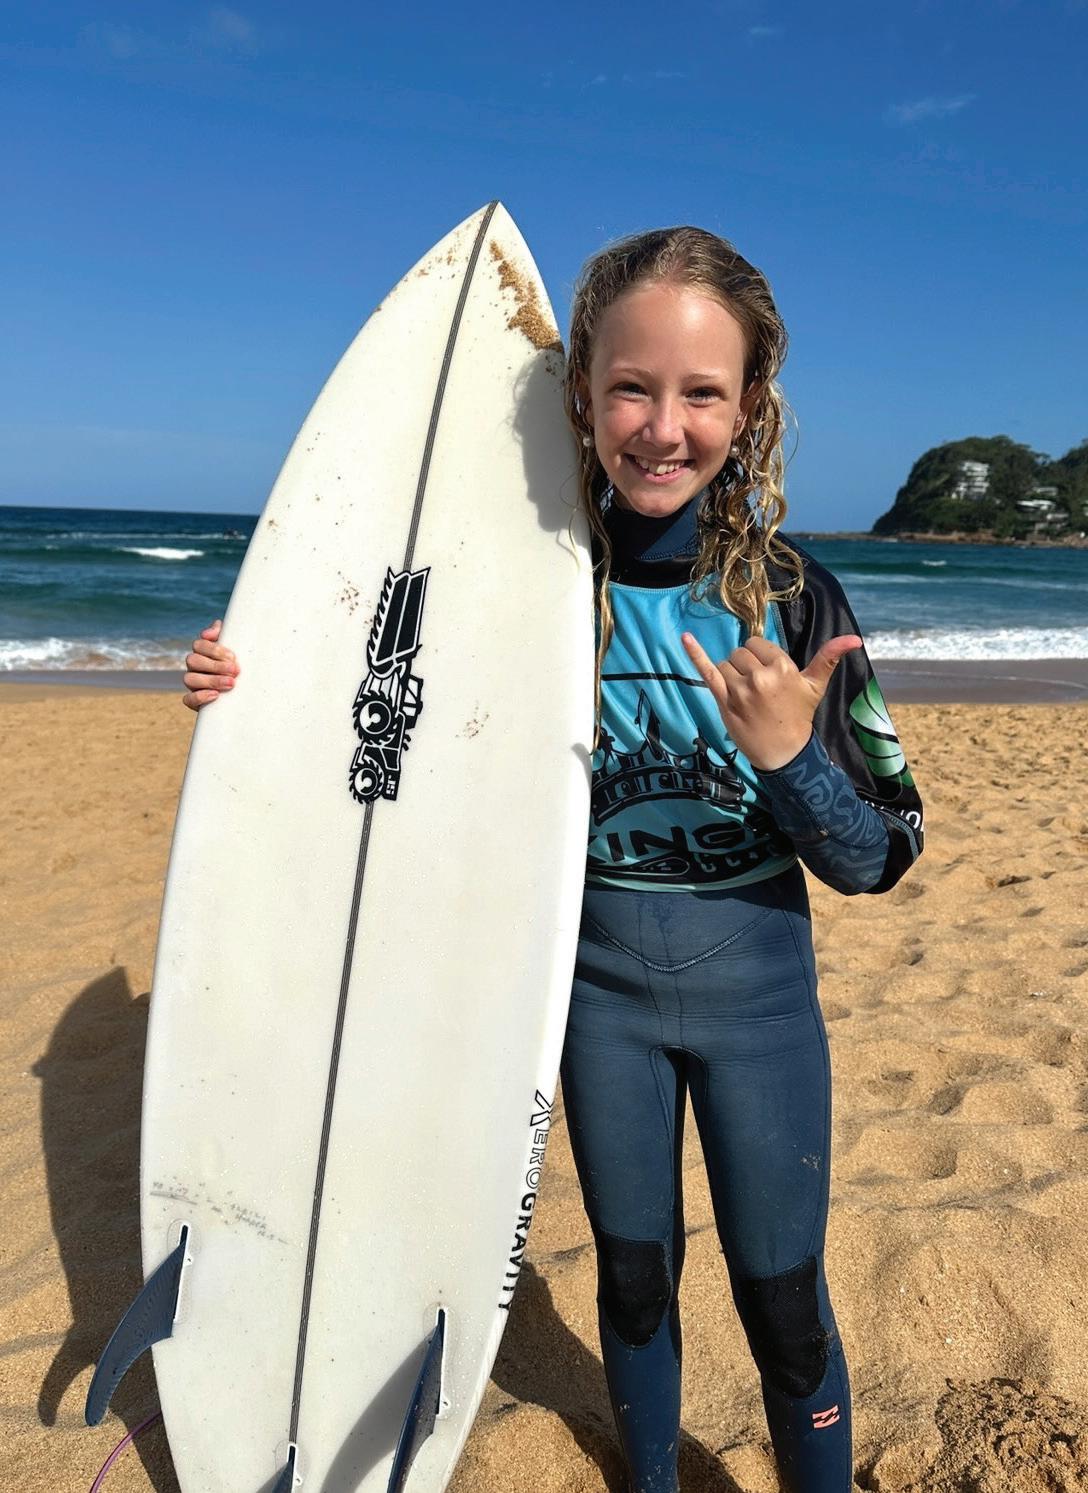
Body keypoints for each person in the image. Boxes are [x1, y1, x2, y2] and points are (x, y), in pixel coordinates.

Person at [181, 226, 924, 1493]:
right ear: (579, 391)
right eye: (630, 387)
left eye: (701, 393)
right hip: (592, 1006)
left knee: (781, 1297)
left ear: (749, 407)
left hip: (759, 1012)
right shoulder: (521, 593)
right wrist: (247, 684)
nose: (661, 427)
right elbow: (384, 744)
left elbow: (879, 854)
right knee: (632, 1280)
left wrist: (794, 758)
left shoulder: (791, 598)